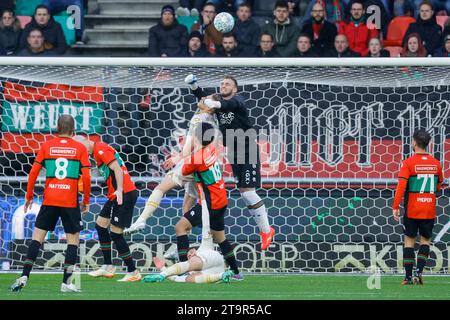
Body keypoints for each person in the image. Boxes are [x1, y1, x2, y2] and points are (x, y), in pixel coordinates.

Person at [184, 74, 276, 256]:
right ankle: (265, 231)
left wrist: (214, 104)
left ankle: (266, 231)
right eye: (222, 83)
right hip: (233, 150)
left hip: (246, 145)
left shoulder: (237, 100)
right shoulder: (217, 101)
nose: (223, 86)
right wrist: (194, 85)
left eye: (228, 84)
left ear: (234, 89)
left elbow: (228, 105)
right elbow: (203, 98)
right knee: (244, 192)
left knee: (248, 192)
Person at [142, 122, 236, 284]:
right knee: (220, 237)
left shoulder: (195, 159)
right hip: (221, 199)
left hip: (209, 203)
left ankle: (185, 267)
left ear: (196, 138)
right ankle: (235, 271)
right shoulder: (213, 149)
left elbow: (183, 172)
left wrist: (177, 158)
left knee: (180, 227)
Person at [10, 115, 91, 293]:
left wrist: (29, 195)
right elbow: (86, 176)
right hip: (69, 201)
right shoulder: (79, 148)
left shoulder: (47, 146)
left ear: (57, 128)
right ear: (73, 130)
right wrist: (86, 200)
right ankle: (66, 283)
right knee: (73, 241)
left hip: (50, 199)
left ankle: (24, 276)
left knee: (37, 238)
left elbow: (33, 173)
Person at [123, 97, 218, 247]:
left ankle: (141, 220)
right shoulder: (212, 119)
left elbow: (193, 143)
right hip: (203, 165)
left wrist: (178, 157)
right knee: (187, 207)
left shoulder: (199, 118)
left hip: (191, 162)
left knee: (160, 188)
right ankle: (185, 246)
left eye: (207, 99)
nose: (203, 98)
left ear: (210, 107)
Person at [72, 136, 142, 282]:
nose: (81, 152)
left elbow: (117, 168)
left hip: (124, 193)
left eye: (81, 148)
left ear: (86, 141)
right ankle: (108, 266)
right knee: (100, 225)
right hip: (115, 194)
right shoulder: (96, 151)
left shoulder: (100, 149)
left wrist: (120, 190)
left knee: (116, 234)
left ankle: (133, 271)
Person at [393, 129, 443, 285]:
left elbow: (401, 186)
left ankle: (408, 277)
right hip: (428, 209)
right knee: (425, 242)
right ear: (428, 144)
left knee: (409, 241)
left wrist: (395, 206)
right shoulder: (436, 163)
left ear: (414, 142)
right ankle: (419, 273)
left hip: (412, 209)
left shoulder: (408, 163)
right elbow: (439, 185)